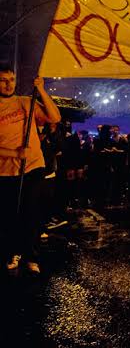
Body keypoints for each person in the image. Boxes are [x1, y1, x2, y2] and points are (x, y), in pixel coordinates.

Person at [0, 67, 61, 273]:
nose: (9, 84)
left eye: (12, 79)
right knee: (9, 215)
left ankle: (31, 256)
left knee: (31, 212)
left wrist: (42, 90)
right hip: (6, 171)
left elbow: (55, 118)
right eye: (3, 80)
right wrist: (13, 153)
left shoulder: (26, 101)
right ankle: (11, 252)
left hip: (33, 166)